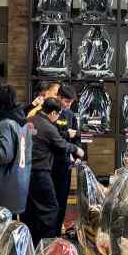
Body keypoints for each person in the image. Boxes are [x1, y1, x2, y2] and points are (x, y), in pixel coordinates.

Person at [28, 98, 83, 245]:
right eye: (58, 115)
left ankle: (33, 243)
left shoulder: (30, 120)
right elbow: (61, 144)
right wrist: (76, 149)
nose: (58, 118)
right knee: (51, 209)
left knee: (32, 209)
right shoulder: (48, 126)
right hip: (40, 171)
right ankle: (48, 245)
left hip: (25, 171)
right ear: (53, 113)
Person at [52, 85, 81, 237]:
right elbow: (51, 137)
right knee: (51, 200)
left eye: (71, 102)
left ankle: (58, 231)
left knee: (62, 200)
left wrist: (76, 156)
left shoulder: (70, 115)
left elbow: (77, 137)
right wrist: (66, 134)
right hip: (50, 164)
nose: (69, 105)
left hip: (65, 165)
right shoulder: (51, 113)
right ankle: (50, 232)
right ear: (58, 97)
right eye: (66, 101)